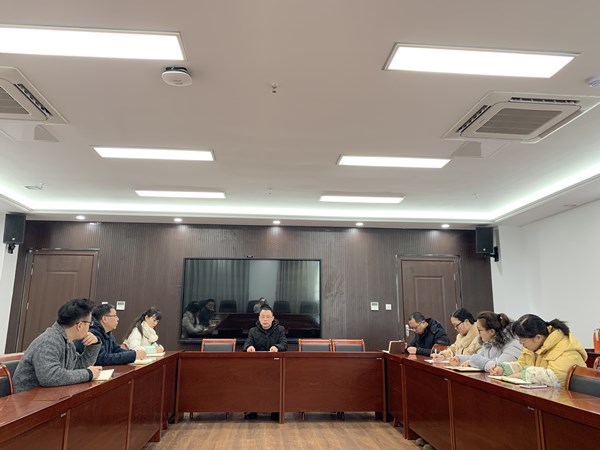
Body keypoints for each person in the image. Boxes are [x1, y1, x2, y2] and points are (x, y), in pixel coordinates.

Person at [13, 298, 103, 393]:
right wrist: (88, 374)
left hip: (49, 394)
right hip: (28, 398)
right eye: (89, 323)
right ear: (80, 325)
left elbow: (79, 366)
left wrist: (93, 345)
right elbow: (50, 377)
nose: (90, 327)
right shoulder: (49, 341)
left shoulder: (67, 342)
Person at [490, 314, 587, 388]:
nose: (520, 343)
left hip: (570, 400)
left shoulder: (565, 347)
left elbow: (556, 377)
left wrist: (523, 375)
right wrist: (503, 369)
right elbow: (522, 364)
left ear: (538, 338)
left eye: (523, 341)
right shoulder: (533, 346)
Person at [449, 311, 521, 372]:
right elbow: (477, 358)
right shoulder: (489, 343)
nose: (478, 333)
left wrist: (476, 361)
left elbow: (498, 367)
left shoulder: (513, 344)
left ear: (491, 331)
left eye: (480, 330)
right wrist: (460, 359)